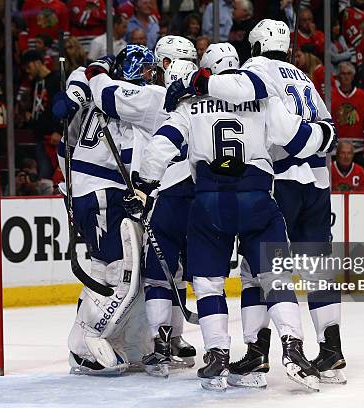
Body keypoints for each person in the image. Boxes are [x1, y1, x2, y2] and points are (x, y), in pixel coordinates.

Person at [138, 39, 336, 391]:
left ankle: (217, 352)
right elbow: (295, 138)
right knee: (274, 277)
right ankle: (293, 346)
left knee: (208, 282)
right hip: (257, 199)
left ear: (209, 71)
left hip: (210, 202)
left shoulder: (191, 103)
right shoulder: (263, 99)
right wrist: (325, 134)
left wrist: (143, 185)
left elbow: (160, 146)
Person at [88, 37, 198, 377]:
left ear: (167, 65)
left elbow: (106, 95)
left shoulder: (154, 96)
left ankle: (159, 342)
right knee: (184, 273)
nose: (150, 72)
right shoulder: (205, 101)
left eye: (157, 65)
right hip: (202, 195)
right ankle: (182, 339)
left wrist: (96, 69)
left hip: (162, 192)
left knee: (155, 272)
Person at [52, 49, 153, 376]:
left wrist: (77, 91)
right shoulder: (133, 102)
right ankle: (86, 347)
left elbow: (61, 129)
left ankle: (88, 344)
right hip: (101, 193)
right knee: (118, 270)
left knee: (100, 268)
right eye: (148, 71)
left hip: (84, 190)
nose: (151, 76)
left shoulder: (92, 85)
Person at [22, 49, 62, 180]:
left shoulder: (56, 79)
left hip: (53, 138)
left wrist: (59, 130)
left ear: (38, 63)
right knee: (43, 177)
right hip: (40, 137)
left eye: (29, 66)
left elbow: (60, 106)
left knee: (49, 176)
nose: (27, 70)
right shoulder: (34, 83)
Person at [331, 61, 364, 165]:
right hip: (336, 148)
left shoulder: (361, 95)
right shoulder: (332, 94)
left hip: (358, 148)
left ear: (353, 76)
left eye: (349, 73)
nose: (346, 77)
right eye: (343, 74)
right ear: (338, 76)